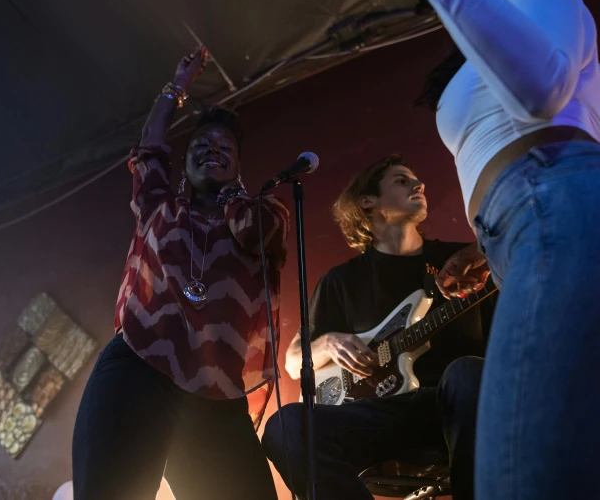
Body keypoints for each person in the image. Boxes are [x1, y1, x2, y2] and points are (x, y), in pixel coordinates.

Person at [408, 0, 600, 497]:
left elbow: (542, 92)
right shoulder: (494, 30)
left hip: (549, 202)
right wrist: (484, 245)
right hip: (525, 221)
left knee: (516, 475)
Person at [71, 47, 289, 500]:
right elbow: (149, 147)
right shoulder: (159, 208)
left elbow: (256, 231)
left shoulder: (265, 213)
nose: (212, 150)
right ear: (184, 163)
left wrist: (232, 195)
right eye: (201, 146)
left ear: (239, 165)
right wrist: (176, 87)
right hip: (137, 365)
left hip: (216, 392)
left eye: (224, 148)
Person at [263, 155, 496, 499]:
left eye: (416, 180)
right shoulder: (341, 281)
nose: (418, 185)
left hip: (456, 406)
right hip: (384, 414)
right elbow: (294, 361)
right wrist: (327, 343)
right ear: (367, 202)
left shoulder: (465, 262)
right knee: (285, 425)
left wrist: (488, 254)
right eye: (401, 181)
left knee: (466, 373)